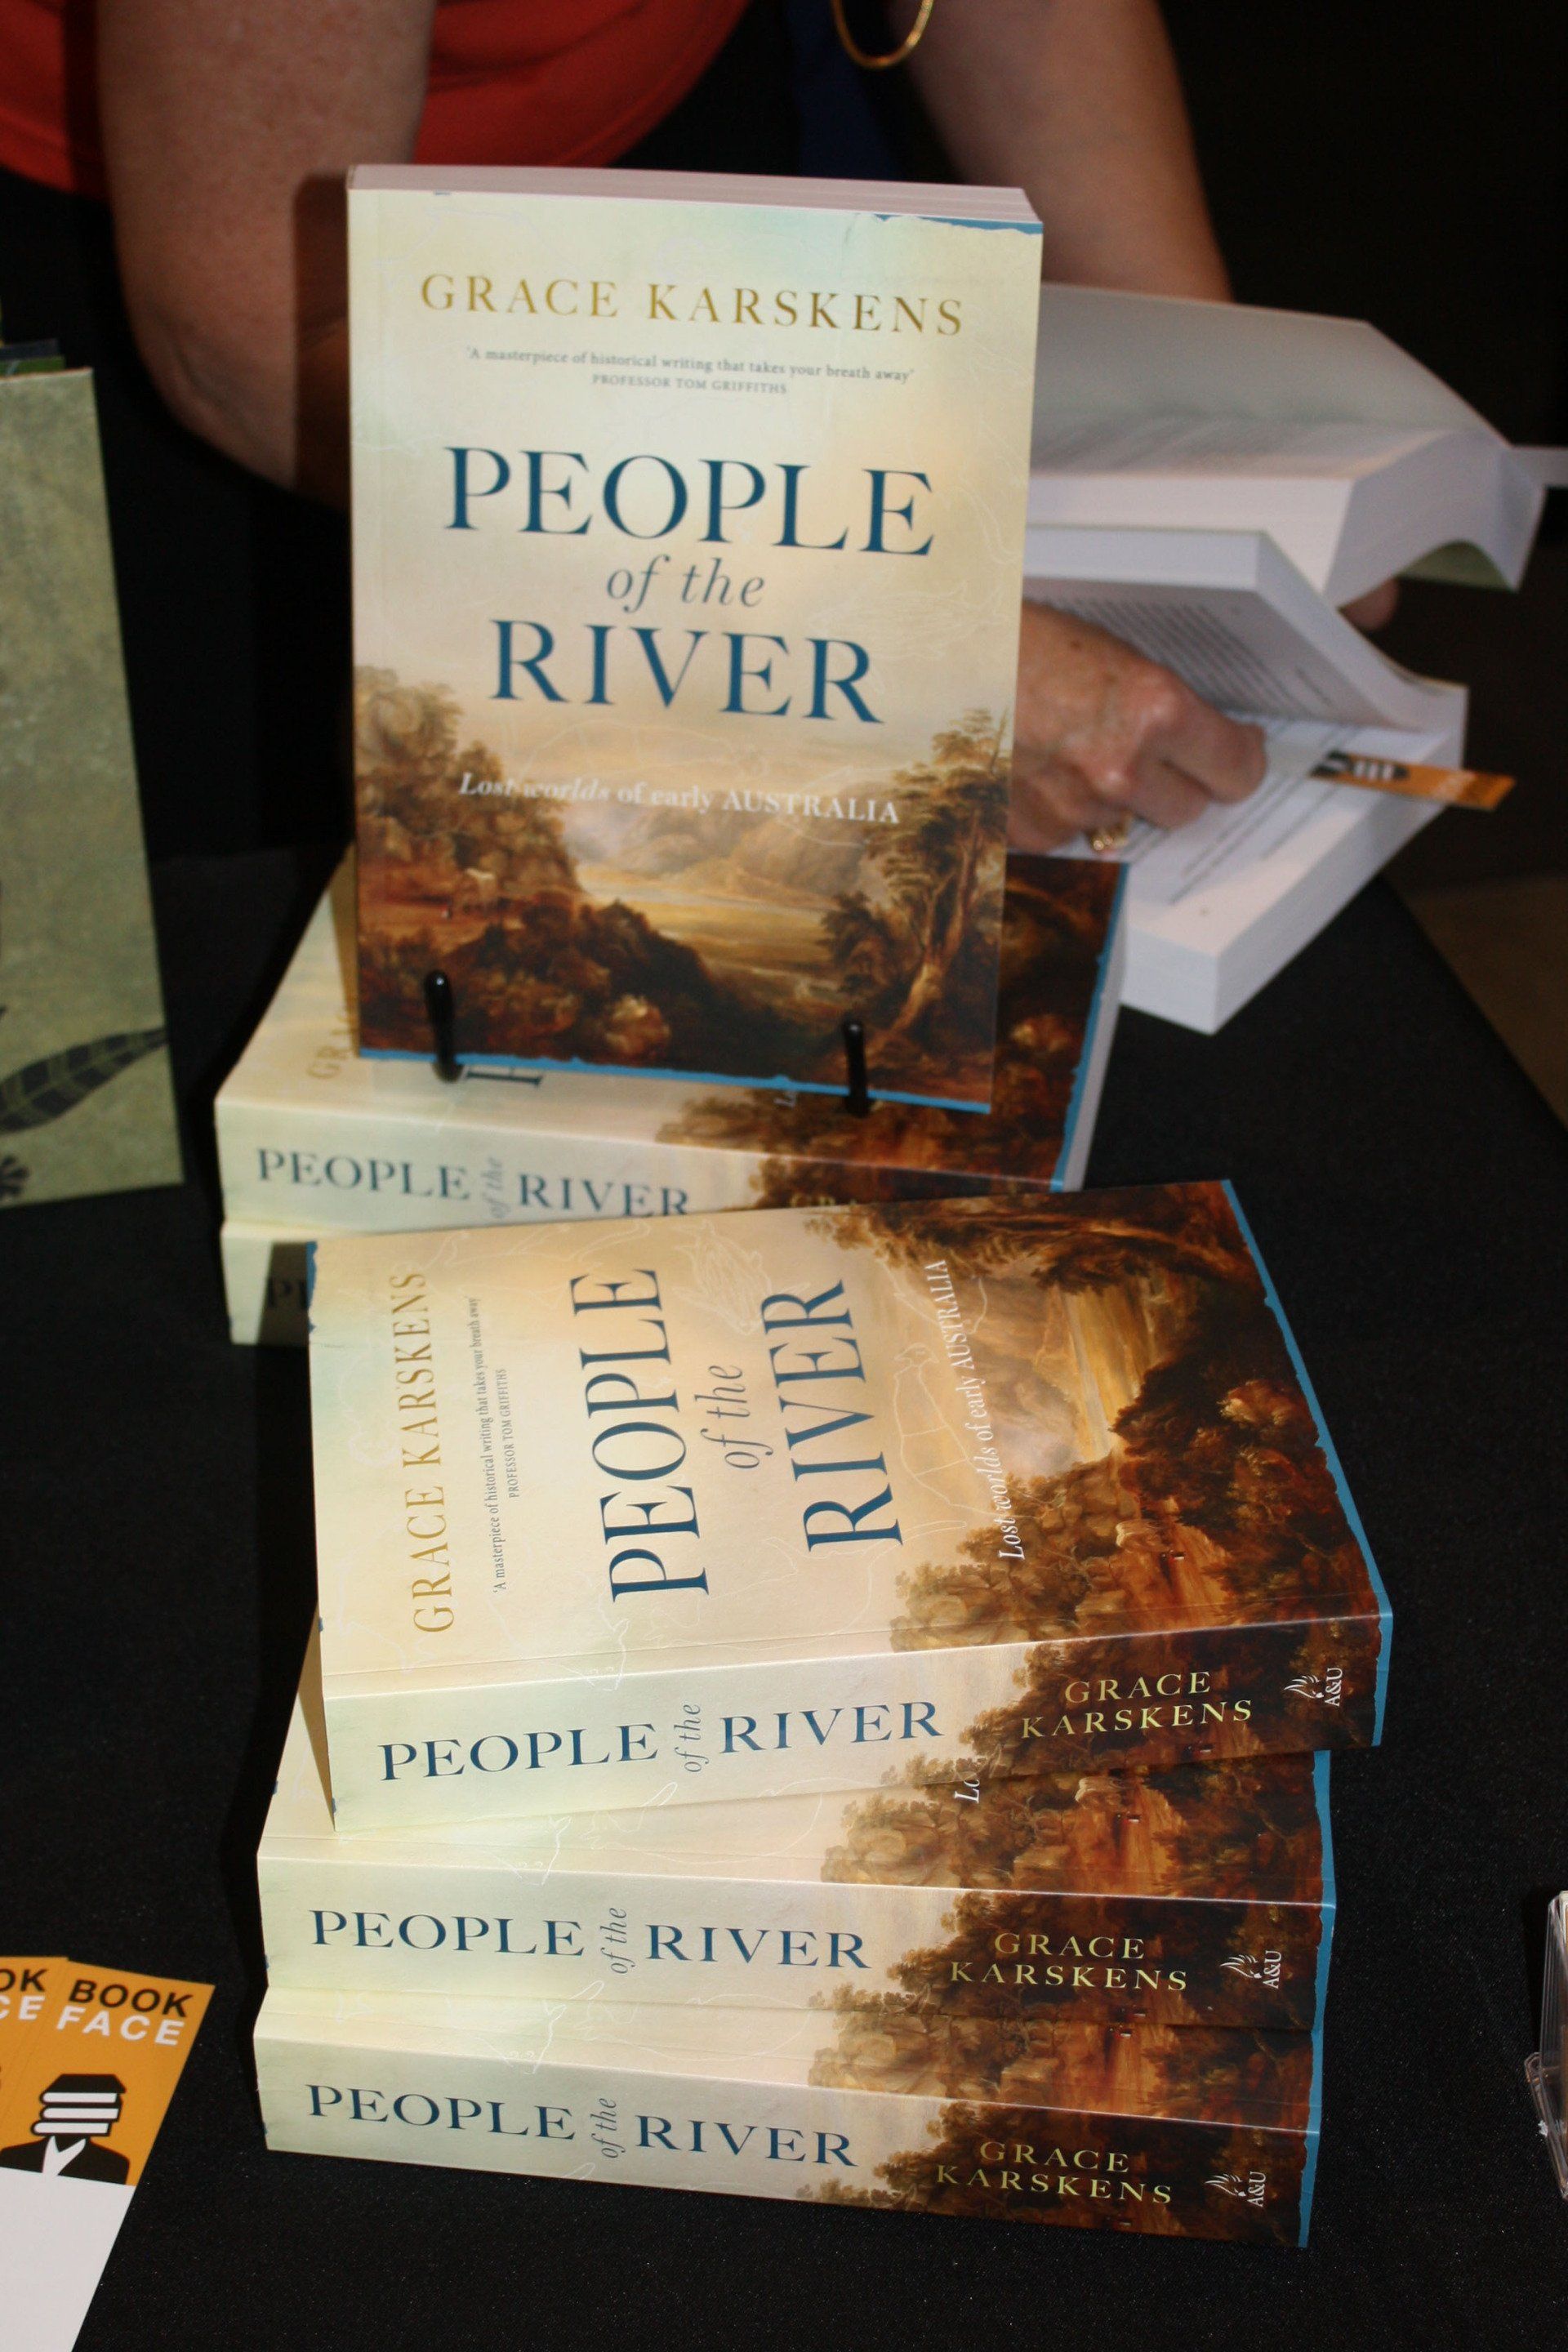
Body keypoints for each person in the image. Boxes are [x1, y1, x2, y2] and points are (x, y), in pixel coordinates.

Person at [0, 0, 1276, 849]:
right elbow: (247, 325)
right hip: (206, 276)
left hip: (654, 129)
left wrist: (1209, 417)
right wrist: (884, 643)